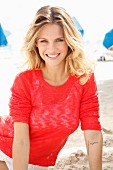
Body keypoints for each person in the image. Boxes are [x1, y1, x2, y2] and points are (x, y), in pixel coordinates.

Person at [0, 5, 103, 170]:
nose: (52, 49)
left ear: (69, 41)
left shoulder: (84, 79)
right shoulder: (24, 81)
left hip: (38, 163)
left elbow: (93, 134)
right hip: (5, 148)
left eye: (59, 40)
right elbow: (20, 141)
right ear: (36, 44)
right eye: (44, 41)